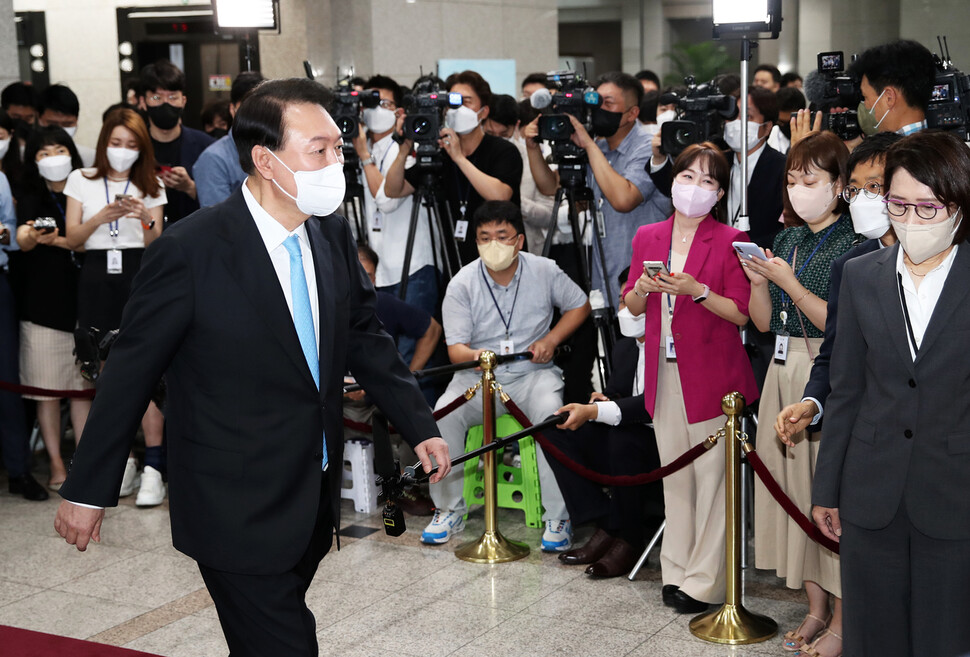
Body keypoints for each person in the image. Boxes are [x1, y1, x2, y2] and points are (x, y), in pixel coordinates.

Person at [54, 77, 450, 657]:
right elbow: (131, 372)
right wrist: (88, 490)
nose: (334, 162)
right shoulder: (190, 250)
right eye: (320, 150)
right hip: (230, 502)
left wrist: (420, 425)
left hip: (309, 496)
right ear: (265, 159)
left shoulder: (331, 234)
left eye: (338, 148)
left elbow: (365, 336)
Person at [812, 130, 970, 657]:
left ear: (958, 208)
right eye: (899, 204)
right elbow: (846, 388)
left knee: (945, 638)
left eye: (929, 207)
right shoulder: (860, 276)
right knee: (873, 637)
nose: (912, 219)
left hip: (955, 490)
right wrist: (827, 486)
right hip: (871, 488)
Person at [622, 142, 756, 614]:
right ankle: (675, 568)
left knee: (713, 478)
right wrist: (641, 287)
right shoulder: (649, 236)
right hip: (663, 371)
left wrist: (697, 291)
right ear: (673, 180)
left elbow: (742, 314)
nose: (695, 188)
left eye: (708, 181)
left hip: (716, 377)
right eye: (687, 177)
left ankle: (707, 581)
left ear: (720, 193)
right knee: (675, 477)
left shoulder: (729, 240)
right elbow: (633, 307)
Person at [422, 200, 590, 551]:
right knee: (440, 416)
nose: (493, 244)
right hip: (476, 378)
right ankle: (448, 509)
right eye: (484, 237)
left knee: (550, 415)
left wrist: (551, 339)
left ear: (519, 240)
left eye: (502, 235)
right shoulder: (462, 282)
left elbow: (580, 305)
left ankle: (558, 516)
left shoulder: (544, 270)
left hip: (532, 374)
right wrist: (479, 358)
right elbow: (456, 350)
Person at [744, 132, 855, 657]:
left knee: (823, 491)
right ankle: (814, 606)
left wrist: (789, 284)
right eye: (792, 180)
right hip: (781, 369)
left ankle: (843, 614)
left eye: (810, 181)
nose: (798, 190)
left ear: (839, 186)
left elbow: (839, 325)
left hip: (822, 371)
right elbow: (763, 325)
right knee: (787, 488)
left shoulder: (854, 242)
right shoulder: (786, 240)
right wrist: (761, 282)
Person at [63, 107, 166, 506]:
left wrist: (145, 219)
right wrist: (101, 217)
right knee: (104, 374)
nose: (122, 151)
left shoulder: (150, 183)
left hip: (138, 274)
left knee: (145, 369)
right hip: (95, 275)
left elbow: (158, 245)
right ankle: (121, 463)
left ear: (142, 149)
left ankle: (155, 467)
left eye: (131, 145)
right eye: (116, 143)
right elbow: (72, 238)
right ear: (105, 142)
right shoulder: (81, 179)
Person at [774, 132, 903, 441]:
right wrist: (812, 402)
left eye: (874, 186)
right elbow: (835, 352)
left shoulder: (943, 258)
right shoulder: (851, 265)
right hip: (868, 427)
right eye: (855, 189)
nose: (862, 198)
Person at [546, 279, 663, 578]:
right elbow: (618, 394)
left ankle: (630, 538)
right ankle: (605, 519)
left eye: (633, 302)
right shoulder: (624, 346)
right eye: (623, 302)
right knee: (555, 429)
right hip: (628, 431)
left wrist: (599, 409)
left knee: (624, 437)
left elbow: (652, 404)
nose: (625, 310)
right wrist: (603, 400)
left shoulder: (670, 346)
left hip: (664, 439)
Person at [526, 71, 671, 301]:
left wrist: (588, 144)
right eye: (595, 101)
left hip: (644, 278)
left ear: (632, 113)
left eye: (608, 103)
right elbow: (550, 187)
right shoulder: (599, 148)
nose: (597, 109)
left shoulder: (646, 147)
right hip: (605, 273)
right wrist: (532, 148)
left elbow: (624, 199)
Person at [15, 127, 93, 490]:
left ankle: (83, 461)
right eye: (44, 153)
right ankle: (57, 465)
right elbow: (24, 239)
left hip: (83, 302)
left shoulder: (86, 188)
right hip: (41, 307)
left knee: (81, 392)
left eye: (59, 149)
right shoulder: (29, 194)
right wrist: (31, 235)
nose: (53, 158)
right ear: (33, 159)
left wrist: (60, 240)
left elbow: (88, 241)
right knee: (46, 392)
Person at [385, 70, 523, 267]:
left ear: (483, 112)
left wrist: (459, 158)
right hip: (454, 262)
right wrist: (403, 150)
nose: (457, 109)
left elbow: (500, 194)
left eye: (465, 102)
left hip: (500, 260)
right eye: (451, 103)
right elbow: (392, 190)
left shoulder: (503, 150)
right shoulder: (440, 154)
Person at [351, 74, 437, 321]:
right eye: (371, 103)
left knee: (413, 347)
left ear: (398, 111)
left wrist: (364, 157)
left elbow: (387, 201)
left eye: (385, 104)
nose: (377, 110)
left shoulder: (409, 146)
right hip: (377, 268)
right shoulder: (361, 144)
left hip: (413, 265)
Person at [139, 59, 214, 223]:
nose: (166, 104)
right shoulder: (133, 145)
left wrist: (190, 187)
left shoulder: (207, 147)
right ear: (143, 102)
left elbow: (221, 203)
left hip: (192, 233)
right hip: (142, 235)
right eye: (157, 97)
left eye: (173, 97)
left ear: (183, 101)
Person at [195, 71, 266, 208]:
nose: (253, 115)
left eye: (260, 108)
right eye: (245, 107)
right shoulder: (214, 158)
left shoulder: (276, 149)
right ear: (232, 110)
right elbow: (218, 220)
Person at [848, 40, 936, 137]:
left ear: (889, 97)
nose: (865, 106)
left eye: (865, 97)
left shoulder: (894, 151)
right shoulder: (942, 147)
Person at [37, 84, 95, 166]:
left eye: (67, 124)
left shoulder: (90, 158)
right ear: (39, 119)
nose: (60, 130)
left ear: (76, 121)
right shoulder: (25, 156)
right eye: (53, 124)